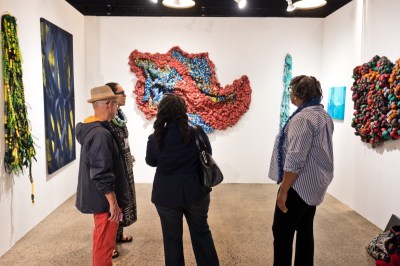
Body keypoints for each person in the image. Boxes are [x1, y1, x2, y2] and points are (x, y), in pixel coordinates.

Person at [145, 93, 219, 266]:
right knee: (201, 234)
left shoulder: (155, 138)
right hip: (197, 193)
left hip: (166, 197)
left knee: (172, 239)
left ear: (162, 112)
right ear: (184, 111)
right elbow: (208, 155)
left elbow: (151, 162)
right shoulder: (197, 133)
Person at [268, 75, 334, 266]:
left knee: (281, 232)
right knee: (305, 230)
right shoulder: (323, 115)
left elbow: (295, 158)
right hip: (315, 183)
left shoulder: (302, 119)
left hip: (299, 186)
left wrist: (284, 190)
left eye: (291, 91)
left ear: (297, 94)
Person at [75, 85, 129, 266]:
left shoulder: (94, 129)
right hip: (104, 200)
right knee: (104, 244)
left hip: (99, 198)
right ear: (109, 104)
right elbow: (101, 171)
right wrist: (113, 202)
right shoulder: (100, 134)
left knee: (103, 239)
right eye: (115, 104)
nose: (117, 108)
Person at [105, 82, 137, 259]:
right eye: (121, 92)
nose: (125, 95)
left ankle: (118, 236)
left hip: (126, 167)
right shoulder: (108, 120)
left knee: (123, 203)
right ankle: (109, 245)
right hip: (116, 170)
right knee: (113, 207)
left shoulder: (119, 115)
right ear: (111, 96)